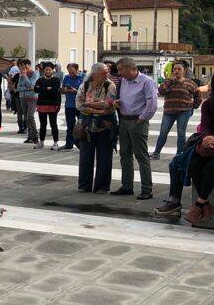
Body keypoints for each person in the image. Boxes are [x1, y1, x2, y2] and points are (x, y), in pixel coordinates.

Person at [156, 71, 214, 222]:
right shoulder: (208, 104)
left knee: (211, 168)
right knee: (192, 165)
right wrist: (207, 137)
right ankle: (205, 204)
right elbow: (205, 124)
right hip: (209, 145)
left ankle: (199, 204)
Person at [112, 56, 157, 200]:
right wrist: (119, 102)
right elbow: (126, 98)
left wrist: (142, 118)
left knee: (141, 155)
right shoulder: (125, 81)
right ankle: (127, 186)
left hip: (138, 121)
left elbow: (152, 104)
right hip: (124, 120)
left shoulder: (147, 81)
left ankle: (146, 189)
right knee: (124, 155)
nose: (119, 73)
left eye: (120, 69)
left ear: (130, 68)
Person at [76, 62, 118, 194]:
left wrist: (90, 105)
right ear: (94, 74)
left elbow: (107, 104)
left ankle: (102, 186)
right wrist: (97, 109)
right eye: (104, 73)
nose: (107, 75)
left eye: (107, 72)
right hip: (87, 126)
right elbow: (78, 104)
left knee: (105, 156)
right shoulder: (85, 85)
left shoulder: (110, 85)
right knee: (85, 156)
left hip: (106, 125)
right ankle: (84, 185)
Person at [152, 62, 200, 160]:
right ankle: (156, 153)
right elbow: (161, 91)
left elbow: (198, 96)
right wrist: (169, 82)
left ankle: (179, 155)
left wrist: (193, 107)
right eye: (175, 69)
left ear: (184, 71)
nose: (177, 71)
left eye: (179, 69)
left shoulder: (190, 83)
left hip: (184, 111)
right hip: (169, 111)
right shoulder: (168, 81)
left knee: (181, 133)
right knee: (163, 132)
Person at [33, 62, 62, 150]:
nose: (48, 71)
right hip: (41, 104)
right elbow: (36, 89)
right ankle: (41, 142)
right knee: (43, 124)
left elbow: (54, 91)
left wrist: (43, 89)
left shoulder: (56, 80)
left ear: (52, 70)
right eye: (46, 70)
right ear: (44, 70)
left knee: (53, 124)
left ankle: (55, 143)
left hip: (53, 104)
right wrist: (46, 88)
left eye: (49, 70)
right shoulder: (40, 79)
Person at [60, 63, 85, 152]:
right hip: (69, 105)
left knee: (82, 126)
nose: (71, 74)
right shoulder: (66, 77)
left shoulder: (83, 77)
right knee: (70, 126)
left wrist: (76, 91)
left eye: (73, 72)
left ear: (77, 70)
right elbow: (62, 90)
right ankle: (69, 144)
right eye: (69, 72)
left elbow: (86, 91)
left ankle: (83, 145)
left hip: (80, 106)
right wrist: (65, 90)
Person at [16, 59, 39, 144]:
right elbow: (18, 88)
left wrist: (25, 77)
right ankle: (30, 136)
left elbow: (32, 86)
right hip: (23, 98)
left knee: (30, 116)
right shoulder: (20, 75)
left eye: (25, 66)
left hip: (32, 98)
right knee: (26, 117)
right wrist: (26, 88)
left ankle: (35, 135)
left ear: (29, 65)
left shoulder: (34, 74)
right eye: (22, 66)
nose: (23, 67)